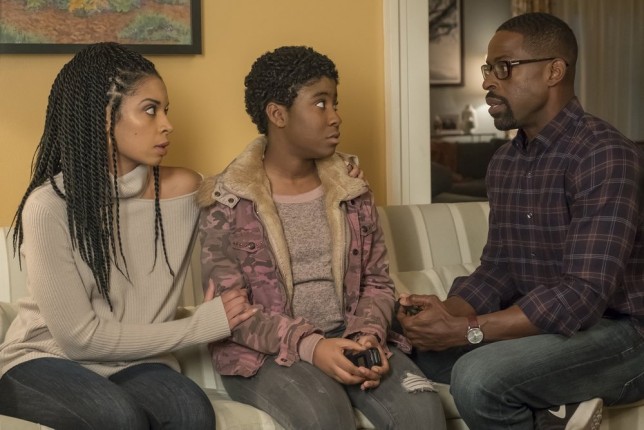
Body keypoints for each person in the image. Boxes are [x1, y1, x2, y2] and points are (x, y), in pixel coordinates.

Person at [397, 12, 644, 430]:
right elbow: (499, 270)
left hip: (625, 334)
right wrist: (444, 313)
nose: (488, 82)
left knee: (478, 378)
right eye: (487, 69)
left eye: (503, 67)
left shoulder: (604, 154)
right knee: (410, 347)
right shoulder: (504, 162)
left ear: (553, 71)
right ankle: (556, 412)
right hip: (549, 330)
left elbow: (582, 294)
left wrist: (466, 330)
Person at [0, 42, 258, 429]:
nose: (167, 124)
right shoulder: (49, 206)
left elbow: (262, 191)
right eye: (150, 110)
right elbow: (78, 339)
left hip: (134, 363)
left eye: (166, 110)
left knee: (191, 412)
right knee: (118, 417)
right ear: (103, 116)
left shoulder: (187, 191)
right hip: (44, 360)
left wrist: (335, 171)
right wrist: (200, 325)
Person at [197, 46, 447, 430]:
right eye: (320, 103)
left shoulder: (351, 188)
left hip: (350, 334)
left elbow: (377, 281)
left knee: (423, 411)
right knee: (324, 417)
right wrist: (312, 347)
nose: (336, 116)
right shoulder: (228, 199)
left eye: (335, 102)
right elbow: (232, 311)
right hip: (264, 352)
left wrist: (368, 335)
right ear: (278, 114)